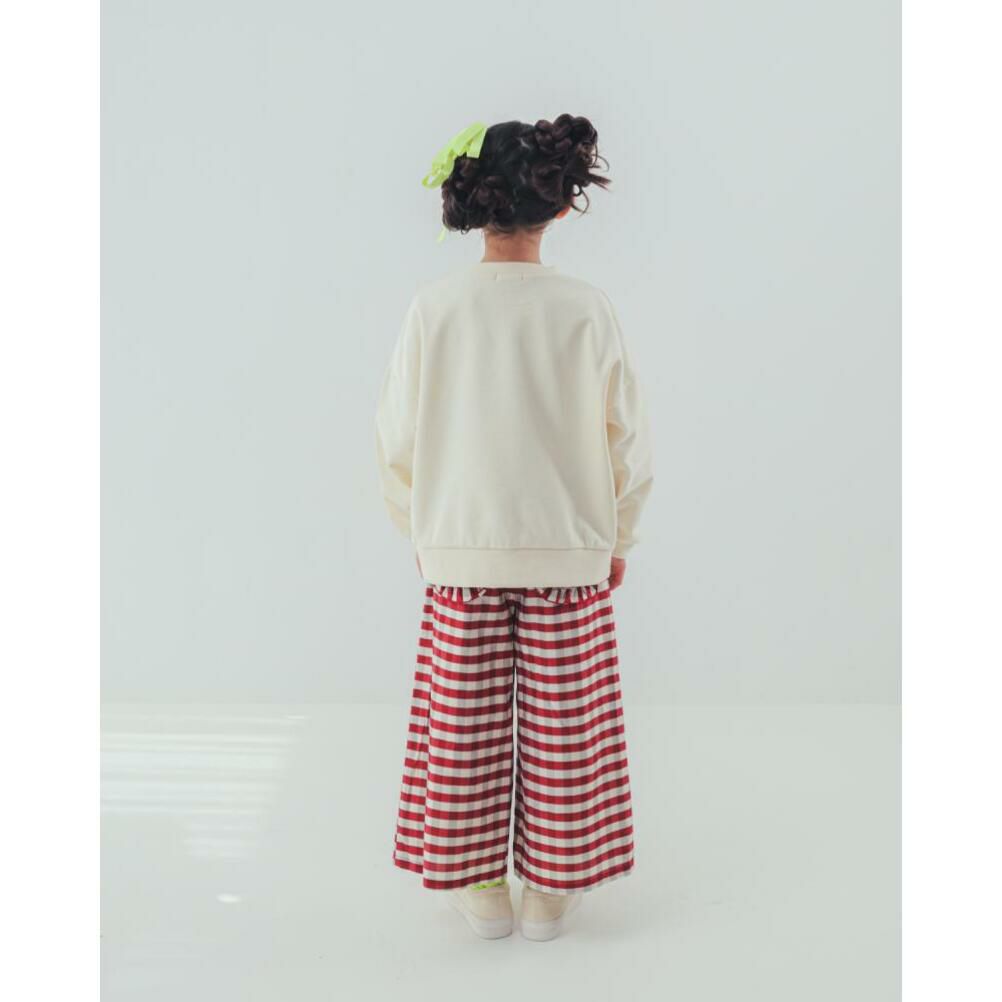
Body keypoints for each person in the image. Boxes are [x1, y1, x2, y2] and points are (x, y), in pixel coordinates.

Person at [375, 114, 653, 941]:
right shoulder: (585, 310)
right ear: (561, 205)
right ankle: (551, 891)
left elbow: (396, 438)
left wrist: (424, 531)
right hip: (568, 553)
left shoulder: (434, 308)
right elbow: (626, 439)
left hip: (461, 549)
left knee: (461, 728)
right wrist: (618, 538)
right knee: (569, 731)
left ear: (473, 203)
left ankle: (479, 885)